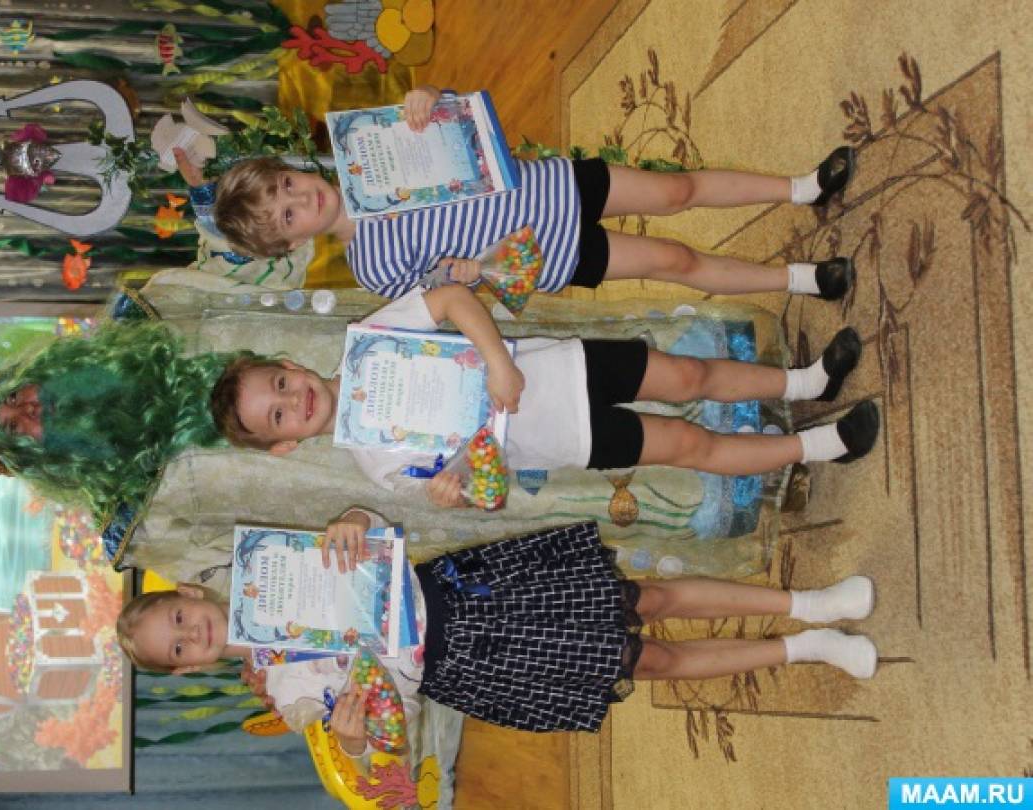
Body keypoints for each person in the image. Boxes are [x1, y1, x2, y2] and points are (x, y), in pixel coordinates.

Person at [117, 517, 878, 750]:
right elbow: (389, 736)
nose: (192, 633)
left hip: (470, 590)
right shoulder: (288, 692)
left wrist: (350, 524)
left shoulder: (266, 561)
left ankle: (807, 602)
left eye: (177, 617)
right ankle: (807, 648)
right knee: (651, 660)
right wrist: (356, 737)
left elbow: (374, 534)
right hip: (474, 664)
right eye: (177, 648)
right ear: (188, 670)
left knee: (648, 596)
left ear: (188, 592)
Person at [209, 283, 879, 508]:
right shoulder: (376, 464)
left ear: (290, 365)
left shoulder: (369, 339)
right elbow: (484, 489)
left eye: (280, 384)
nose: (293, 400)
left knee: (687, 376)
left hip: (562, 368)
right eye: (277, 416)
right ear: (286, 444)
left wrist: (499, 360)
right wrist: (457, 490)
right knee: (690, 445)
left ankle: (807, 381)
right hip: (567, 438)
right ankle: (820, 446)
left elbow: (452, 299)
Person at [177, 85, 858, 302]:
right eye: (287, 214)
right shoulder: (373, 269)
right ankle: (798, 280)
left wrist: (429, 99)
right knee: (674, 262)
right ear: (291, 243)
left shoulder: (365, 148)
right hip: (545, 253)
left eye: (288, 185)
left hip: (549, 184)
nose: (302, 199)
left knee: (676, 191)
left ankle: (800, 188)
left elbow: (461, 129)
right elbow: (453, 293)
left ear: (293, 168)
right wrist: (467, 275)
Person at [0, 320, 246, 521]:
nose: (28, 408)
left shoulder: (155, 314)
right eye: (14, 427)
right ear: (35, 457)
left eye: (14, 396)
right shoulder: (146, 517)